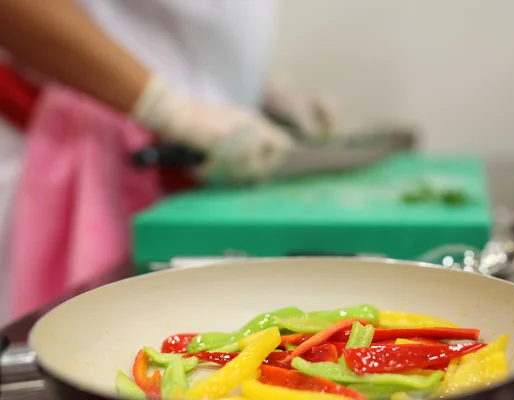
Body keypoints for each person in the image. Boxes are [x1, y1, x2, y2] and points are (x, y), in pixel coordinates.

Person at [0, 0, 336, 326]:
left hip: (191, 170)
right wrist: (166, 109)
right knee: (74, 338)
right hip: (70, 154)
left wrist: (257, 90)